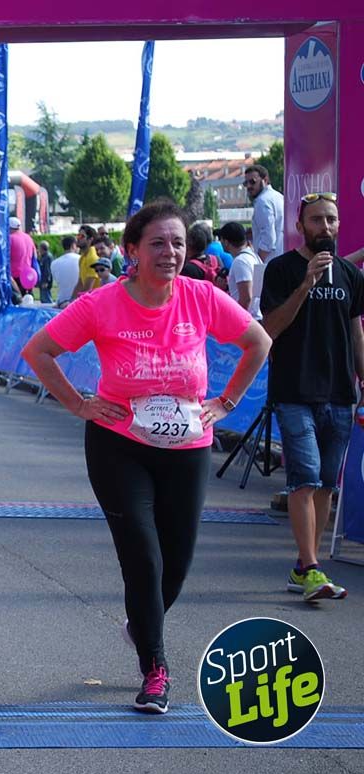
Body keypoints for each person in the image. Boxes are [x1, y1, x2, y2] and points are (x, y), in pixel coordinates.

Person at [21, 200, 270, 715]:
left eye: (178, 243)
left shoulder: (201, 297)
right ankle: (155, 669)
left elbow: (258, 342)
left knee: (174, 566)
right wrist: (78, 403)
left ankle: (142, 625)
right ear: (132, 251)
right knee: (143, 554)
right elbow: (38, 352)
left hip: (187, 447)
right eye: (157, 243)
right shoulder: (102, 303)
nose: (170, 252)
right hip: (119, 446)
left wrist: (225, 403)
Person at [260, 192, 363, 602]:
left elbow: (356, 332)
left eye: (332, 219)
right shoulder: (282, 269)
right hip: (294, 391)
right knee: (304, 478)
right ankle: (314, 568)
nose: (326, 227)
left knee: (324, 486)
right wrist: (306, 284)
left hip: (339, 393)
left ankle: (305, 566)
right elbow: (271, 326)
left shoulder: (350, 275)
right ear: (300, 226)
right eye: (317, 220)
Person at [216, 221, 263, 318]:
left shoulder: (240, 261)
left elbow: (246, 298)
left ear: (226, 242)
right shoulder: (253, 256)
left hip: (249, 320)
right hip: (256, 316)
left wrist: (236, 319)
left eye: (220, 239)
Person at [245, 164, 285, 267]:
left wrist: (258, 261)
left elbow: (269, 239)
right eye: (246, 183)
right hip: (282, 258)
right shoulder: (279, 197)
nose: (249, 186)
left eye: (253, 182)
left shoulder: (262, 201)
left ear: (265, 180)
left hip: (269, 263)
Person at [51, 235, 81, 307]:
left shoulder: (54, 263)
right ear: (73, 246)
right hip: (78, 300)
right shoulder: (81, 260)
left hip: (61, 300)